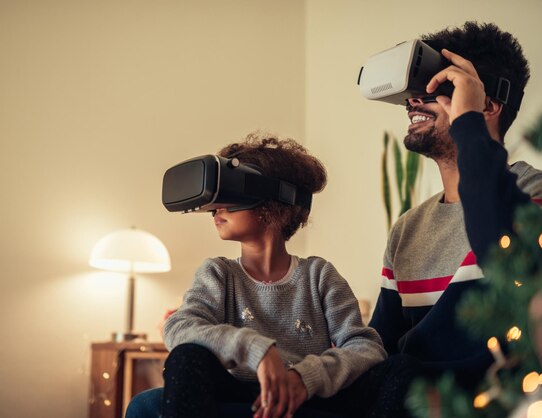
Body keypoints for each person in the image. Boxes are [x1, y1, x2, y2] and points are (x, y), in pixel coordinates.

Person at [369, 21, 542, 389]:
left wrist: (468, 124)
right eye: (413, 92)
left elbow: (505, 249)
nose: (413, 101)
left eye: (435, 87)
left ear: (485, 103)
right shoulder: (407, 229)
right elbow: (380, 346)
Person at [152, 134, 388, 418]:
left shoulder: (319, 275)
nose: (216, 208)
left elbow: (366, 347)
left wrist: (305, 377)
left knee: (399, 372)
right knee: (185, 357)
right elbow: (179, 327)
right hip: (237, 395)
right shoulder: (218, 273)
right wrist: (255, 348)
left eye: (228, 195)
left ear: (273, 200)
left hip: (305, 399)